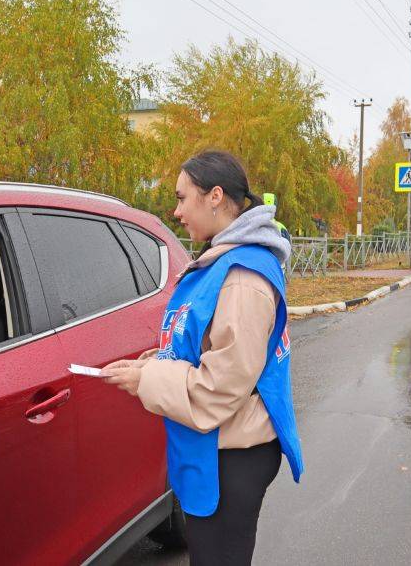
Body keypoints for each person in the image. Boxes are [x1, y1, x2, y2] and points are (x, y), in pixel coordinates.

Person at [102, 150, 303, 566]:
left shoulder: (242, 279)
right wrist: (147, 366)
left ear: (214, 196)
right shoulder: (222, 264)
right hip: (218, 450)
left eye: (181, 198)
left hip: (232, 457)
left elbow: (221, 387)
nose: (176, 212)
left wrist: (147, 382)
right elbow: (198, 348)